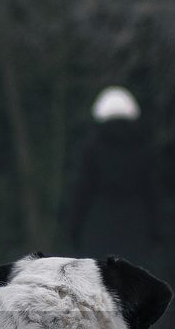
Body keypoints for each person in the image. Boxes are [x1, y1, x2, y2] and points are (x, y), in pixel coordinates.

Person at [62, 87, 163, 265]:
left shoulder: (92, 149)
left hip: (98, 228)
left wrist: (74, 230)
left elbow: (82, 192)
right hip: (136, 229)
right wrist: (156, 233)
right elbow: (152, 194)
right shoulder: (143, 149)